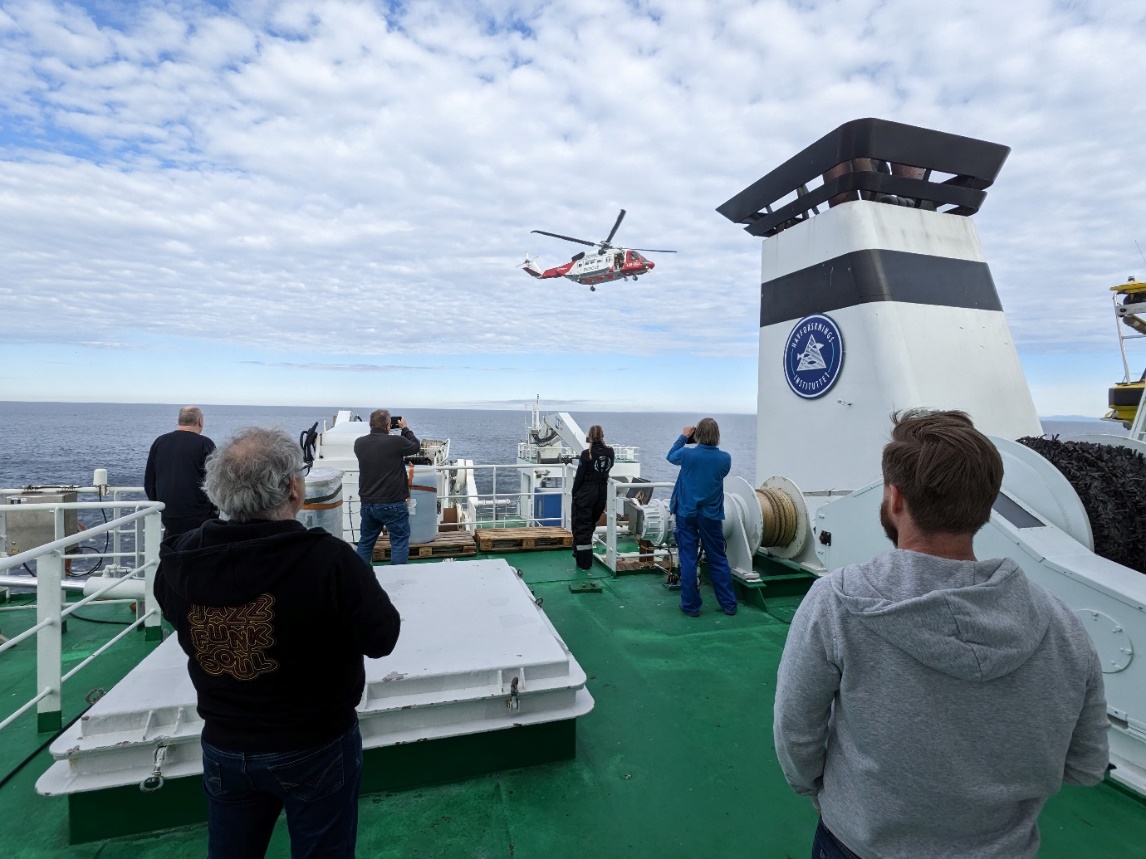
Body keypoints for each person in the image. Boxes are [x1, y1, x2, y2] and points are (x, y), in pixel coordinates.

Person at [773, 410, 1109, 859]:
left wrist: (819, 795)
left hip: (861, 844)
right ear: (986, 505)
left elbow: (796, 734)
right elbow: (1086, 764)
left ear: (895, 498)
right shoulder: (1061, 623)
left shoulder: (837, 604)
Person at [154, 427, 401, 859]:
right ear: (292, 488)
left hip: (224, 745)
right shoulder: (327, 559)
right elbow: (382, 638)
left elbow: (183, 622)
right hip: (315, 745)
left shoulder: (180, 560)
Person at [666, 418, 736, 616]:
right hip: (711, 515)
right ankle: (729, 604)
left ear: (698, 434)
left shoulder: (688, 455)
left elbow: (670, 456)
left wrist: (684, 436)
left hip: (686, 513)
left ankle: (691, 606)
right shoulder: (725, 458)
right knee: (717, 558)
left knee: (688, 559)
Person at [354, 410, 420, 566]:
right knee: (399, 541)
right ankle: (396, 579)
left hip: (368, 503)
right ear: (388, 425)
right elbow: (416, 446)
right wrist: (405, 429)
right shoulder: (396, 442)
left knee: (366, 542)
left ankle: (358, 579)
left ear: (371, 424)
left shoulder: (359, 443)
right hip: (393, 503)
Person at [144, 406, 217, 537]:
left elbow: (149, 480)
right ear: (200, 421)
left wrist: (158, 504)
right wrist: (213, 508)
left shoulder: (160, 442)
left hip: (167, 512)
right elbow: (215, 480)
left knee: (172, 547)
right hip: (199, 514)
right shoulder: (204, 443)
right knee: (199, 550)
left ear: (179, 420)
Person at [570, 425, 614, 569]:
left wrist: (574, 493)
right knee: (590, 524)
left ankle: (584, 562)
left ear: (589, 436)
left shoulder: (586, 454)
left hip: (586, 493)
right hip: (602, 493)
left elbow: (579, 478)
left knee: (582, 526)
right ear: (603, 435)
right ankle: (581, 553)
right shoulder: (610, 452)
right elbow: (608, 468)